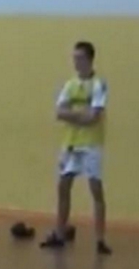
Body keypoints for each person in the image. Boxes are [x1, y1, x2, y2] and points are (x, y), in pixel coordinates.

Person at [40, 41, 112, 255]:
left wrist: (73, 115)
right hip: (70, 143)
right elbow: (60, 112)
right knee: (63, 187)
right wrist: (81, 115)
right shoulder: (69, 85)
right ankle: (59, 234)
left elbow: (94, 117)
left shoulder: (99, 84)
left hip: (91, 144)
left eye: (79, 58)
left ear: (89, 59)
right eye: (74, 58)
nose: (76, 62)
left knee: (96, 189)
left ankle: (100, 239)